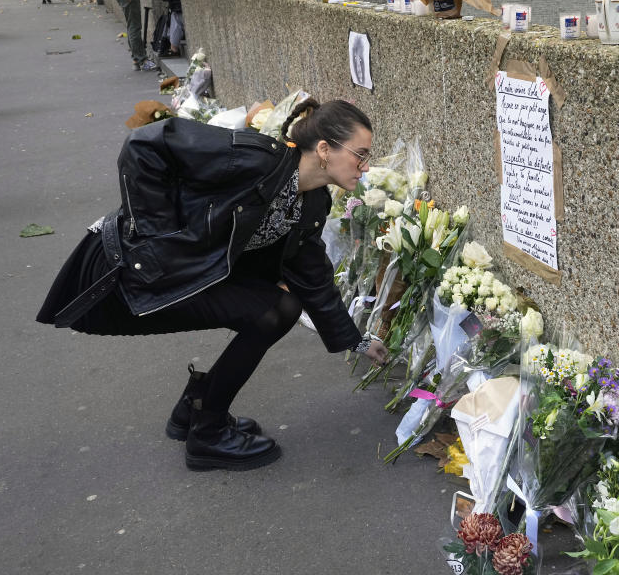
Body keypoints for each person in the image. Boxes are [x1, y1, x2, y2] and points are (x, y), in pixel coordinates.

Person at [36, 98, 388, 471]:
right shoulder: (256, 159)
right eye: (360, 155)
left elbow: (313, 275)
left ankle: (196, 410)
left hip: (173, 276)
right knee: (272, 311)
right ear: (323, 149)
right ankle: (208, 434)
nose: (365, 168)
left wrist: (358, 340)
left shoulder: (311, 203)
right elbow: (144, 144)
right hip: (124, 274)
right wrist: (156, 240)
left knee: (280, 307)